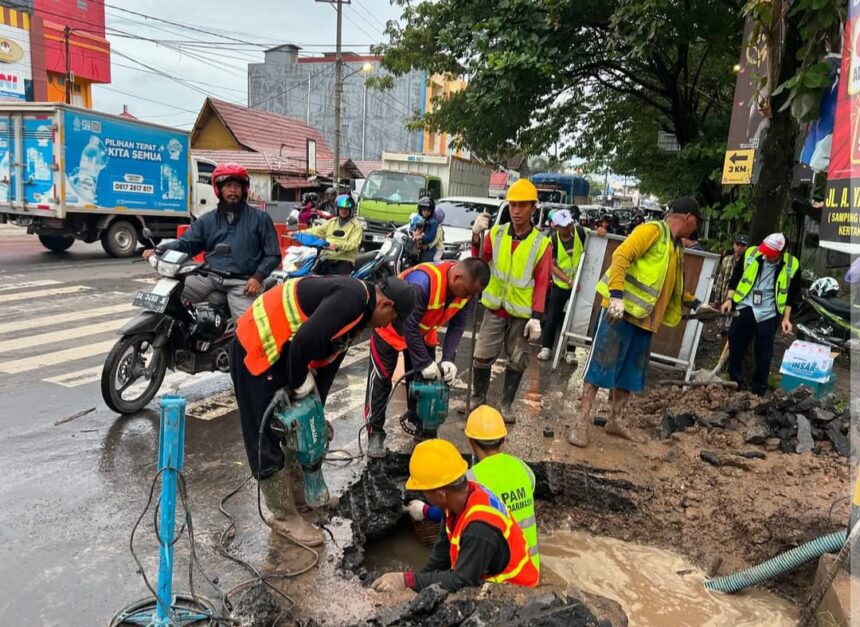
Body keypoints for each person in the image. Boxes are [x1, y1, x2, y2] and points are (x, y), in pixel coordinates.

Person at [230, 275, 415, 545]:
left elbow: (328, 363)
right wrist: (298, 383)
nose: (388, 325)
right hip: (258, 347)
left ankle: (301, 496)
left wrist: (316, 410)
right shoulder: (352, 299)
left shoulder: (359, 315)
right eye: (391, 319)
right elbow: (304, 342)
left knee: (299, 423)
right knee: (267, 432)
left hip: (282, 353)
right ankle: (283, 516)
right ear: (386, 304)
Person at [567, 197, 710, 448]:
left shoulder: (676, 247)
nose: (695, 229)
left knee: (629, 375)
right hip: (620, 314)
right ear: (688, 218)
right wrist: (616, 296)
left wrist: (698, 305)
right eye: (696, 223)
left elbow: (674, 289)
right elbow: (621, 255)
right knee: (600, 367)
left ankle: (615, 420)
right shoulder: (652, 231)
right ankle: (581, 421)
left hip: (645, 322)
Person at [370, 439, 539, 594]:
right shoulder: (455, 502)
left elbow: (462, 580)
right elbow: (440, 558)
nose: (423, 495)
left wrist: (408, 581)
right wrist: (412, 583)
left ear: (440, 494)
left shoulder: (480, 527)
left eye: (424, 490)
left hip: (516, 593)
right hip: (488, 574)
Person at [365, 258, 491, 457]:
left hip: (423, 331)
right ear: (457, 277)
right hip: (389, 327)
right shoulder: (423, 283)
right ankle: (375, 433)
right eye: (467, 292)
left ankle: (422, 425)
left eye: (473, 294)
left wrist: (449, 358)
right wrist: (424, 362)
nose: (469, 297)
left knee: (427, 382)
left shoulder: (466, 291)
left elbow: (457, 325)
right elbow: (408, 325)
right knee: (381, 379)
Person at [405, 405, 540, 570]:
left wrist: (424, 510)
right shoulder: (524, 469)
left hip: (501, 570)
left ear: (471, 442)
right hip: (530, 564)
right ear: (503, 439)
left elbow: (448, 510)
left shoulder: (471, 480)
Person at [143, 163, 280, 322]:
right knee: (170, 300)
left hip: (243, 281)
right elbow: (187, 244)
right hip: (209, 276)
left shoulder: (260, 219)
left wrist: (258, 277)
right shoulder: (207, 220)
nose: (233, 190)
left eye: (237, 186)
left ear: (244, 189)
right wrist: (160, 250)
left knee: (247, 329)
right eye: (228, 186)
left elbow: (273, 255)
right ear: (219, 189)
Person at [468, 179, 552, 424]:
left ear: (533, 209)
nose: (516, 211)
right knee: (481, 355)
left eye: (522, 206)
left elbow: (542, 282)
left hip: (521, 315)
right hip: (495, 309)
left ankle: (506, 404)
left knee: (517, 360)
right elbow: (479, 263)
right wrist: (476, 237)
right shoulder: (495, 234)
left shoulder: (541, 244)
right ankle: (477, 398)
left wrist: (536, 317)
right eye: (513, 205)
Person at [721, 232, 800, 396]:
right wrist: (729, 299)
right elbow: (735, 277)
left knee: (764, 352)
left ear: (781, 252)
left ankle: (758, 390)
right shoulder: (751, 253)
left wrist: (786, 318)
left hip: (769, 311)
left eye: (771, 254)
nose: (766, 255)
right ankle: (735, 384)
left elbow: (792, 295)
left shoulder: (792, 264)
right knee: (735, 343)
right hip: (745, 305)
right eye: (765, 251)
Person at [537, 209, 605, 365]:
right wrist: (568, 281)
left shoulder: (581, 232)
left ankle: (570, 351)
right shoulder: (552, 241)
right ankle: (546, 347)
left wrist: (601, 231)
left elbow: (596, 235)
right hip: (561, 285)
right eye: (564, 225)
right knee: (552, 316)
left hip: (580, 285)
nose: (568, 228)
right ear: (556, 227)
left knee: (575, 318)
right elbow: (552, 266)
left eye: (569, 224)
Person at [306, 194, 364, 275]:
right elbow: (317, 230)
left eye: (346, 209)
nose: (343, 211)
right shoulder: (332, 222)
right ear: (337, 209)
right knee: (312, 275)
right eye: (341, 208)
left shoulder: (356, 226)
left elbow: (353, 244)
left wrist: (338, 245)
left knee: (339, 282)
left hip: (344, 259)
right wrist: (298, 233)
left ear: (351, 210)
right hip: (328, 257)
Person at [713, 233, 750, 304]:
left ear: (747, 247)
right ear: (734, 245)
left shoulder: (749, 263)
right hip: (725, 298)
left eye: (743, 245)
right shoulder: (726, 259)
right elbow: (720, 280)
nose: (739, 247)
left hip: (740, 300)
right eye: (738, 244)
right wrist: (717, 300)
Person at [409, 196, 442, 262]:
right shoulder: (417, 219)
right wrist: (413, 233)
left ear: (431, 211)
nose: (426, 212)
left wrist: (421, 237)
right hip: (417, 247)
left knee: (424, 262)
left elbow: (430, 237)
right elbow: (411, 229)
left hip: (429, 249)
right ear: (420, 210)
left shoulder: (433, 222)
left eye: (428, 210)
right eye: (424, 210)